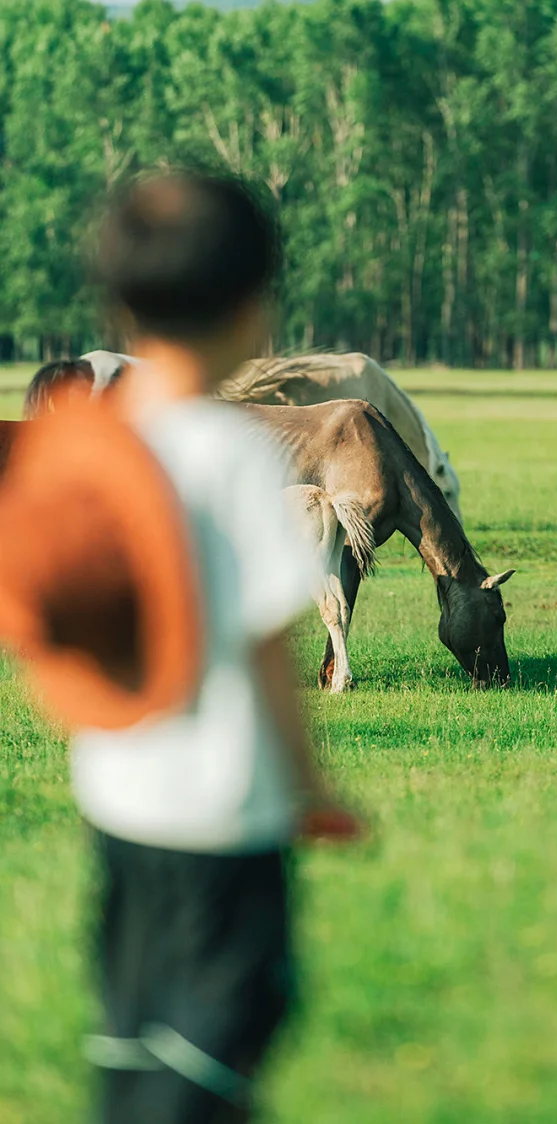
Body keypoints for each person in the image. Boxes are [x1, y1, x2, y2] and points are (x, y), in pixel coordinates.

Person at [71, 169, 366, 1123]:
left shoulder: (99, 444)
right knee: (220, 1038)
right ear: (252, 310)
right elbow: (266, 651)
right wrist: (312, 790)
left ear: (120, 305)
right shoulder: (234, 453)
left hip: (116, 799)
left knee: (132, 1025)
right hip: (225, 812)